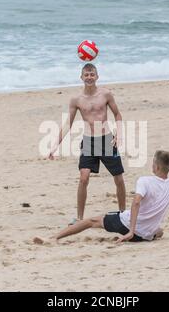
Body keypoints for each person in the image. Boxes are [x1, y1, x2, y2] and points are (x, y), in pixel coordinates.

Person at [34, 151, 169, 244]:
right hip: (146, 236)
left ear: (157, 167)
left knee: (91, 221)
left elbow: (136, 203)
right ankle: (145, 233)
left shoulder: (144, 181)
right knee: (159, 231)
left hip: (127, 226)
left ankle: (53, 238)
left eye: (153, 162)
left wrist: (131, 231)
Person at [49, 63, 126, 224]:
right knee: (83, 178)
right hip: (89, 141)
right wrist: (56, 144)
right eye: (86, 75)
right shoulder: (76, 100)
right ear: (81, 77)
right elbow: (68, 123)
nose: (89, 77)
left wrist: (119, 134)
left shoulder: (106, 94)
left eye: (92, 74)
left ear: (97, 77)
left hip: (106, 139)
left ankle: (123, 213)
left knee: (118, 178)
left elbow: (118, 115)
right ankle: (79, 218)